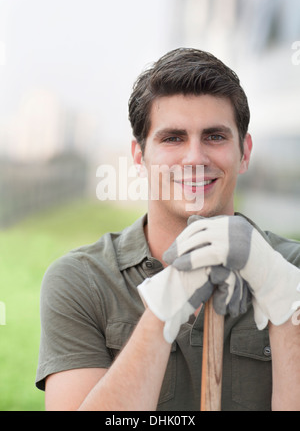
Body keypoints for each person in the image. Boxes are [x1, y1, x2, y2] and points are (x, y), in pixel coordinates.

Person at [35, 48, 300, 411]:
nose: (194, 158)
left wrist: (287, 301)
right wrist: (163, 307)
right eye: (173, 138)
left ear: (245, 152)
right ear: (139, 156)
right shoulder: (82, 280)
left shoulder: (293, 267)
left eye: (215, 137)